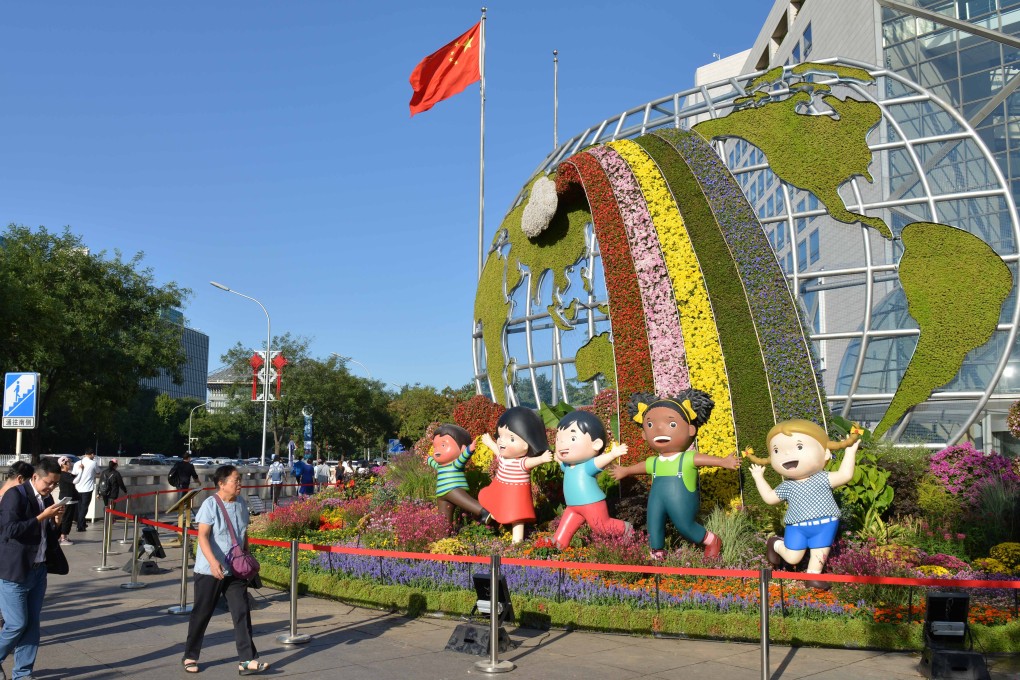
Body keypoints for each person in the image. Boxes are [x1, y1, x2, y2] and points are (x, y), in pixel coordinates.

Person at [613, 391, 738, 560]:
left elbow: (704, 459)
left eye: (671, 424)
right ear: (644, 433)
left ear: (690, 430)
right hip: (657, 500)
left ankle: (711, 540)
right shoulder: (654, 461)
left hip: (682, 500)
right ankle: (657, 553)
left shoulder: (687, 458)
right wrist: (626, 470)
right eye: (650, 425)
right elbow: (642, 466)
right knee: (653, 523)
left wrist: (723, 462)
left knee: (684, 525)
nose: (658, 429)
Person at [747, 420, 862, 590]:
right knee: (793, 558)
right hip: (797, 527)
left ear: (825, 454)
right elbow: (770, 498)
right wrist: (758, 478)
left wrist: (850, 452)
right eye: (777, 450)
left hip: (825, 524)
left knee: (819, 553)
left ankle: (812, 578)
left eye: (799, 447)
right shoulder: (787, 486)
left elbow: (845, 475)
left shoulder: (823, 478)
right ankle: (775, 543)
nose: (787, 454)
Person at [183, 465, 268, 675]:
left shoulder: (241, 503)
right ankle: (190, 656)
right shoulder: (210, 505)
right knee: (202, 613)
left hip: (234, 570)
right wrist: (213, 562)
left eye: (239, 480)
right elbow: (202, 536)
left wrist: (246, 553)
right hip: (209, 570)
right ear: (221, 484)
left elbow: (243, 532)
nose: (239, 484)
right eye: (235, 480)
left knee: (241, 611)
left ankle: (246, 660)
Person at [0, 457, 68, 680]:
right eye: (49, 483)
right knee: (16, 624)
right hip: (15, 571)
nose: (51, 488)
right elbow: (9, 530)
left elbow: (47, 535)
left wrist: (56, 521)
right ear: (35, 477)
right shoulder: (15, 495)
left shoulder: (47, 499)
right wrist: (41, 517)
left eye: (55, 484)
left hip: (38, 570)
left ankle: (23, 674)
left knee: (31, 626)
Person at [552, 411, 631, 550]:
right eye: (558, 439)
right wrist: (558, 460)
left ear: (596, 444)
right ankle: (557, 545)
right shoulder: (568, 466)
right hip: (572, 506)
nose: (562, 443)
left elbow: (600, 461)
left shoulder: (587, 466)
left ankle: (626, 528)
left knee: (601, 528)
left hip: (591, 503)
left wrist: (612, 454)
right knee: (565, 527)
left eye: (572, 438)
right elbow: (562, 465)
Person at [478, 407, 554, 543]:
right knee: (494, 503)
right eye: (500, 436)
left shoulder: (522, 462)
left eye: (511, 439)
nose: (502, 442)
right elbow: (496, 450)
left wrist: (542, 459)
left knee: (518, 517)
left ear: (528, 443)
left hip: (516, 494)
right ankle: (494, 515)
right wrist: (490, 442)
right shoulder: (503, 457)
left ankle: (517, 541)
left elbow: (531, 462)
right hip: (500, 488)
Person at [428, 424, 492, 524]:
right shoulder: (440, 466)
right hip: (441, 494)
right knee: (443, 522)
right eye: (435, 447)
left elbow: (462, 458)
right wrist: (428, 459)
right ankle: (444, 532)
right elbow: (433, 463)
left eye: (443, 445)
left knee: (466, 502)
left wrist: (469, 450)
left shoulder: (455, 464)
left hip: (453, 488)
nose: (437, 450)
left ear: (462, 448)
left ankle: (484, 511)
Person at [56, 457, 81, 546]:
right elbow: (75, 481)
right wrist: (81, 471)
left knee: (68, 518)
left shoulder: (67, 474)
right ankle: (63, 537)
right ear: (63, 464)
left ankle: (63, 536)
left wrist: (80, 471)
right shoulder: (63, 474)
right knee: (66, 518)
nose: (70, 464)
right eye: (68, 462)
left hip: (70, 499)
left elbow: (76, 477)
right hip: (67, 499)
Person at [71, 448, 97, 531]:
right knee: (84, 507)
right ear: (92, 454)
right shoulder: (93, 463)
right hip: (88, 488)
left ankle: (82, 523)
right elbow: (98, 472)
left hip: (77, 488)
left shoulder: (77, 463)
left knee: (79, 507)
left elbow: (73, 474)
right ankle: (80, 525)